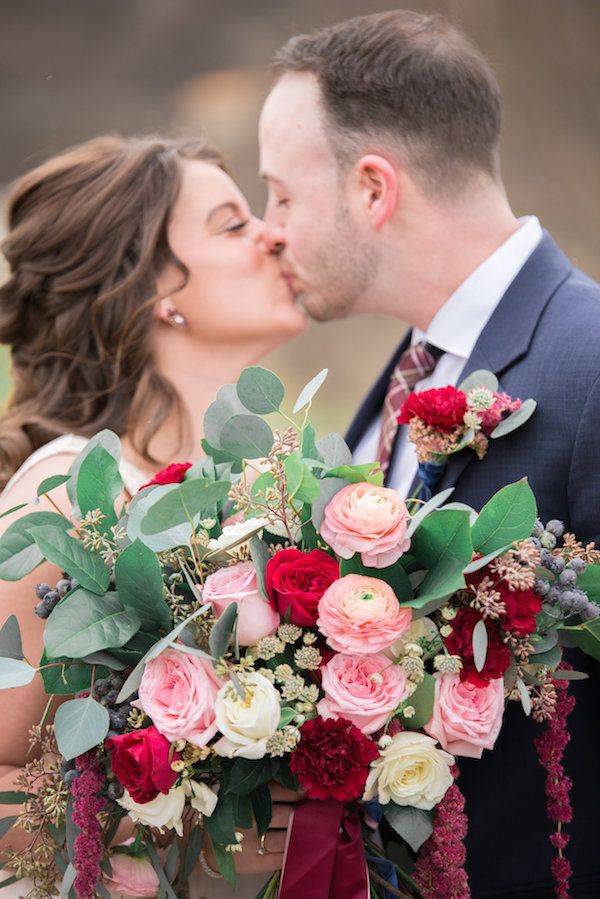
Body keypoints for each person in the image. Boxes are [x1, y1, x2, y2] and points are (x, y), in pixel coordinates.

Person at [259, 10, 600, 898]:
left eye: (282, 196)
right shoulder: (407, 371)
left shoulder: (592, 361)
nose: (268, 230)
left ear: (374, 189)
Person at [0, 134, 306, 897]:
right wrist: (191, 820)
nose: (276, 233)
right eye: (232, 224)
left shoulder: (265, 486)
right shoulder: (70, 494)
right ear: (152, 291)